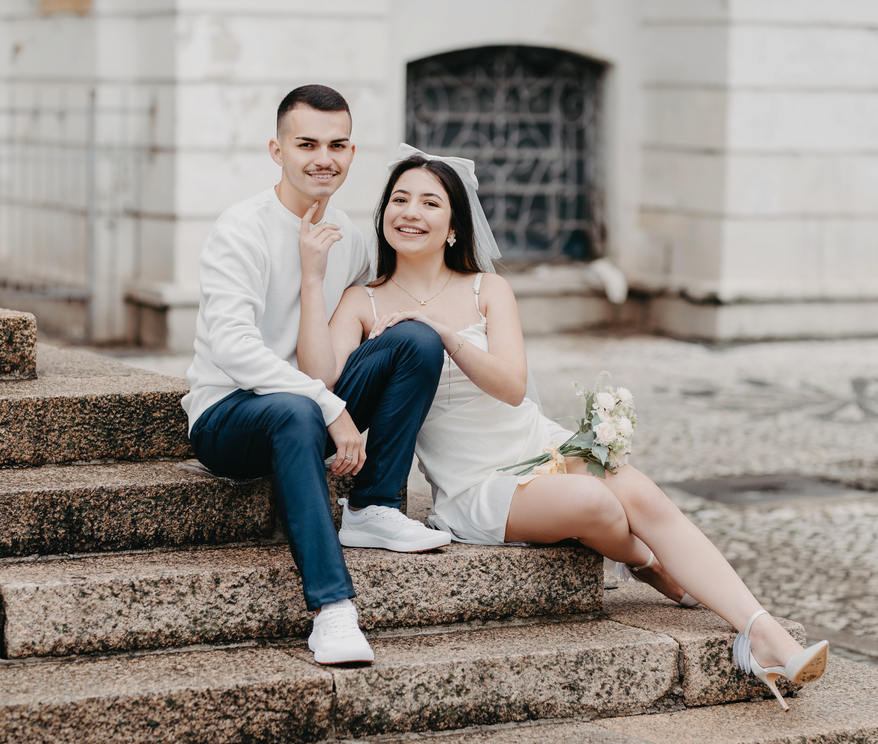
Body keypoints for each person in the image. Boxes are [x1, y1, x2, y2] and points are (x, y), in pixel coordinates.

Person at [295, 144, 829, 709]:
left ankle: (764, 635)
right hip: (478, 483)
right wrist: (312, 278)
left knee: (642, 494)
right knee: (596, 503)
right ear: (383, 215)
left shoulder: (487, 289)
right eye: (399, 200)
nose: (411, 212)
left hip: (536, 441)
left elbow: (511, 387)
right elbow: (320, 379)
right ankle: (646, 561)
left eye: (430, 203)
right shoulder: (363, 301)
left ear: (453, 227)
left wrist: (446, 334)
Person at [181, 90, 452, 667]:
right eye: (307, 144)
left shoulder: (349, 236)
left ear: (351, 152)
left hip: (312, 401)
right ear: (277, 150)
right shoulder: (242, 229)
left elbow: (356, 324)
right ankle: (333, 608)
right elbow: (232, 347)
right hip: (230, 417)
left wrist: (401, 318)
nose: (323, 158)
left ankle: (372, 506)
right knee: (298, 409)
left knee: (416, 340)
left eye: (336, 145)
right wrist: (329, 405)